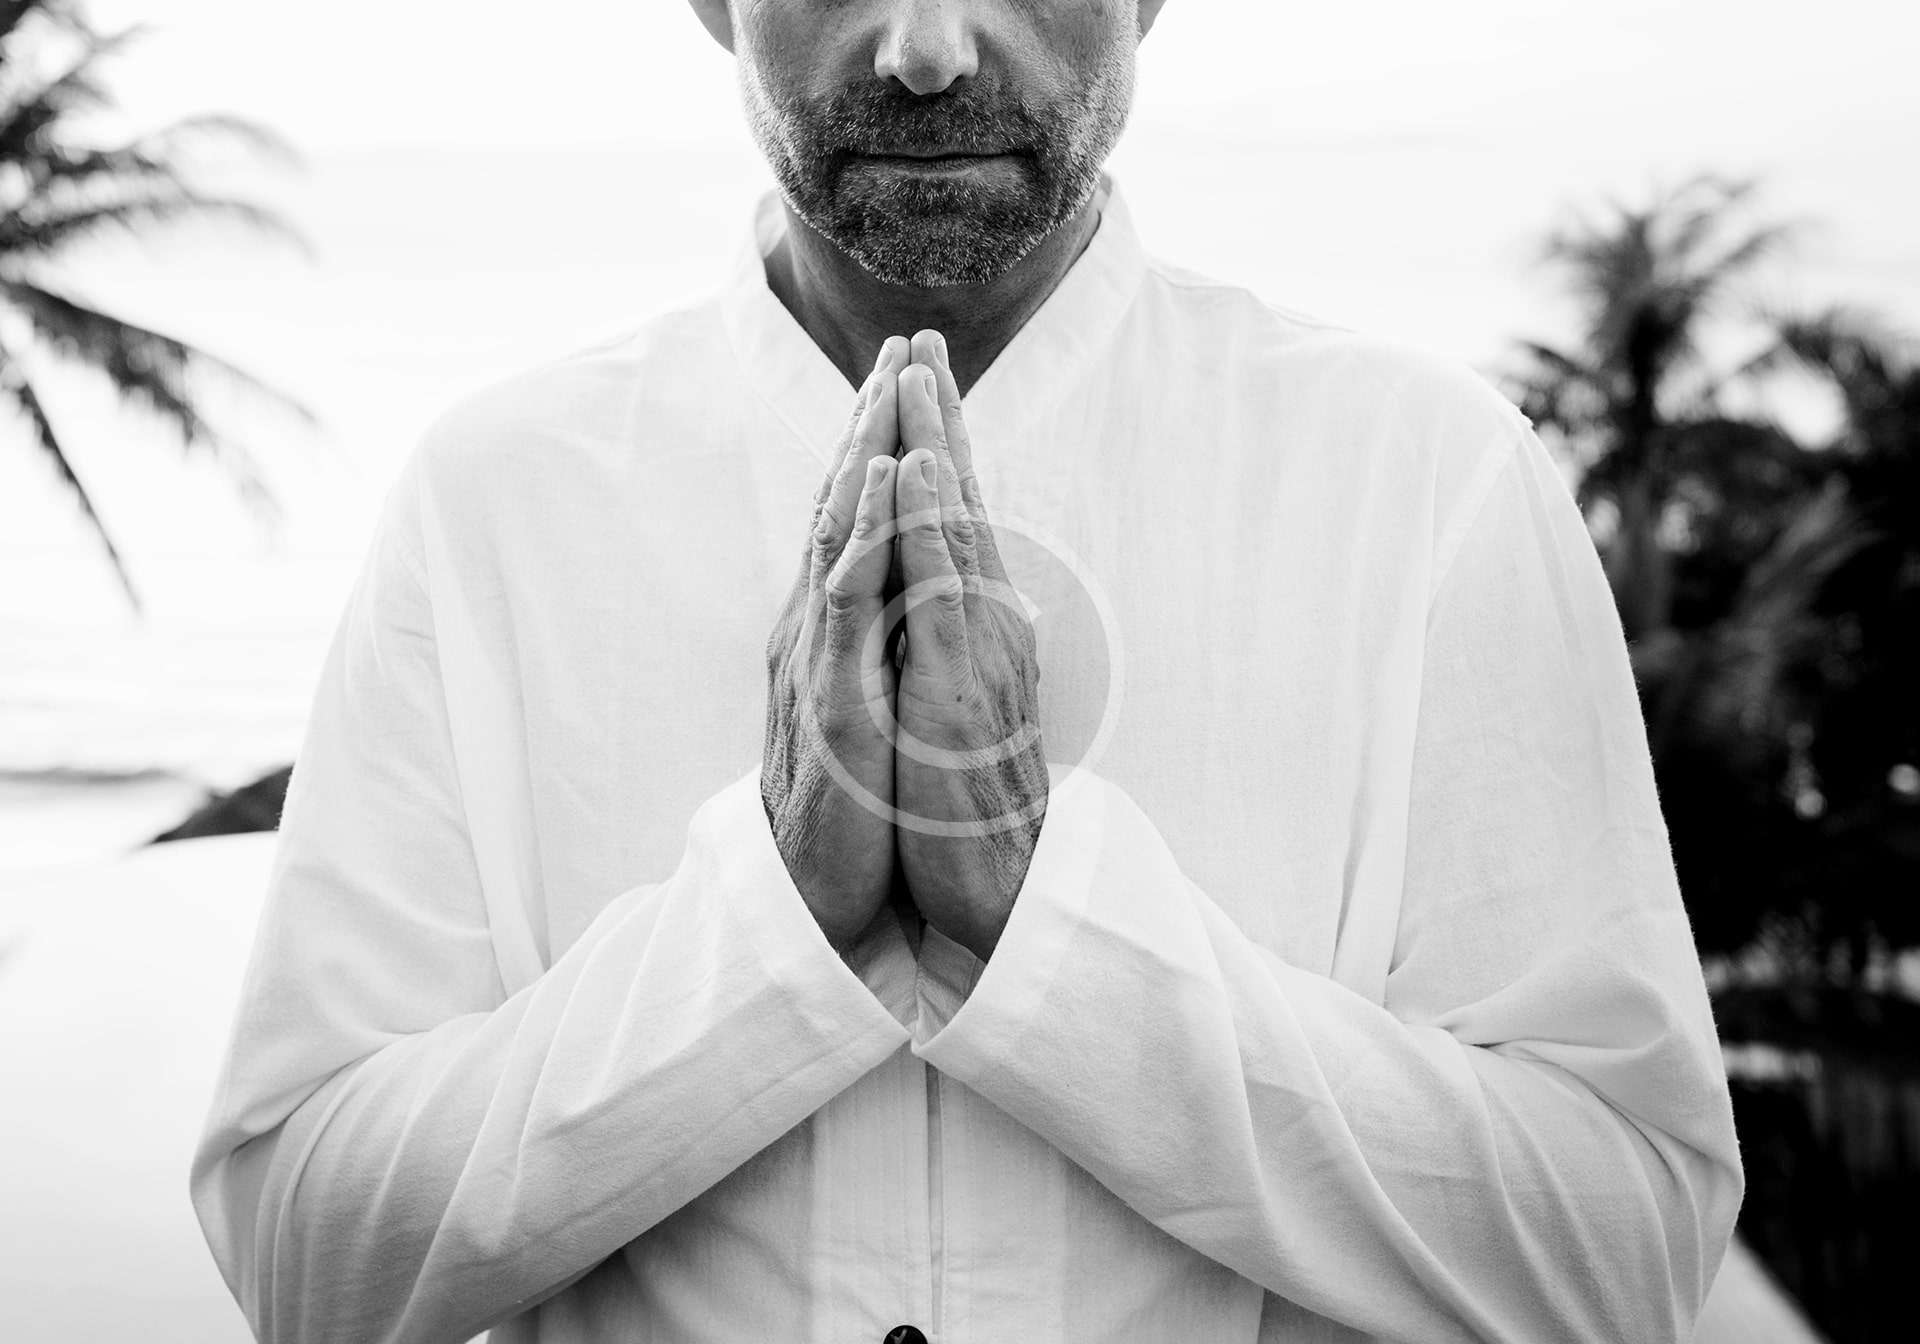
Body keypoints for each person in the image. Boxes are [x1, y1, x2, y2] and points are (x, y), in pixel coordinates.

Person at [189, 2, 1744, 1341]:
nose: (928, 50)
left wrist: (1044, 918)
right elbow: (305, 1254)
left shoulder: (1428, 481)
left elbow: (1618, 1252)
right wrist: (770, 916)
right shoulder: (497, 499)